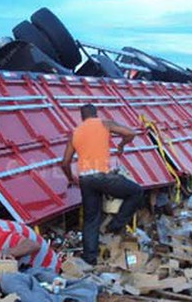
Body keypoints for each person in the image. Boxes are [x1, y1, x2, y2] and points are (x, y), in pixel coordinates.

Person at [61, 103, 143, 265]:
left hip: (85, 180)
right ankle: (115, 225)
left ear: (82, 117)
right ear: (96, 114)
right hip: (103, 176)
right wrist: (121, 145)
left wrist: (71, 178)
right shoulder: (104, 124)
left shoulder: (75, 133)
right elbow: (130, 133)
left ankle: (89, 258)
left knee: (91, 219)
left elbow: (65, 162)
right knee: (136, 192)